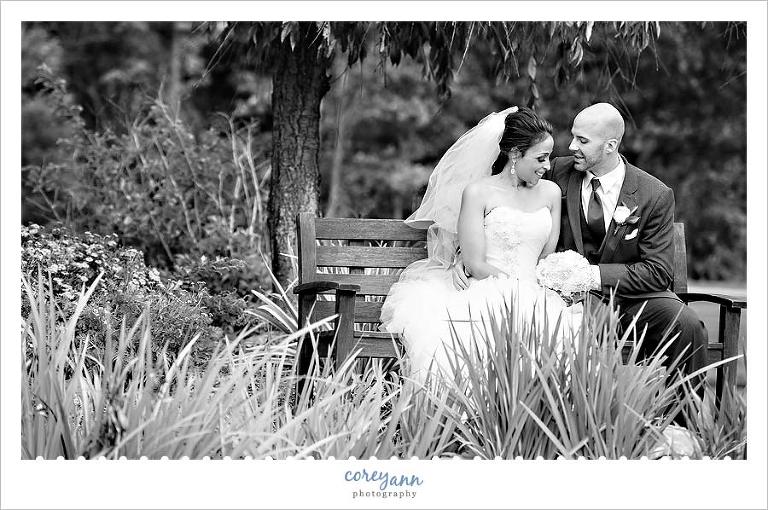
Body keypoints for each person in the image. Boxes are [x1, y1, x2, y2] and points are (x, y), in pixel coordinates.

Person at [454, 103, 709, 389]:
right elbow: (498, 195)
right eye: (574, 136)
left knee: (687, 325)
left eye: (583, 141)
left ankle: (683, 428)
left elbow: (659, 272)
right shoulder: (554, 172)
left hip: (636, 299)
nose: (572, 145)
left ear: (610, 145)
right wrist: (460, 257)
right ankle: (592, 423)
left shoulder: (654, 194)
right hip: (573, 299)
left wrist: (592, 276)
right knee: (580, 326)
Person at [379, 106, 582, 385]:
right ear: (514, 155)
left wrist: (541, 285)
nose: (548, 166)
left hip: (535, 291)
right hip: (485, 288)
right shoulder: (478, 193)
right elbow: (475, 263)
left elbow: (545, 257)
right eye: (541, 158)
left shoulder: (550, 192)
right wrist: (517, 287)